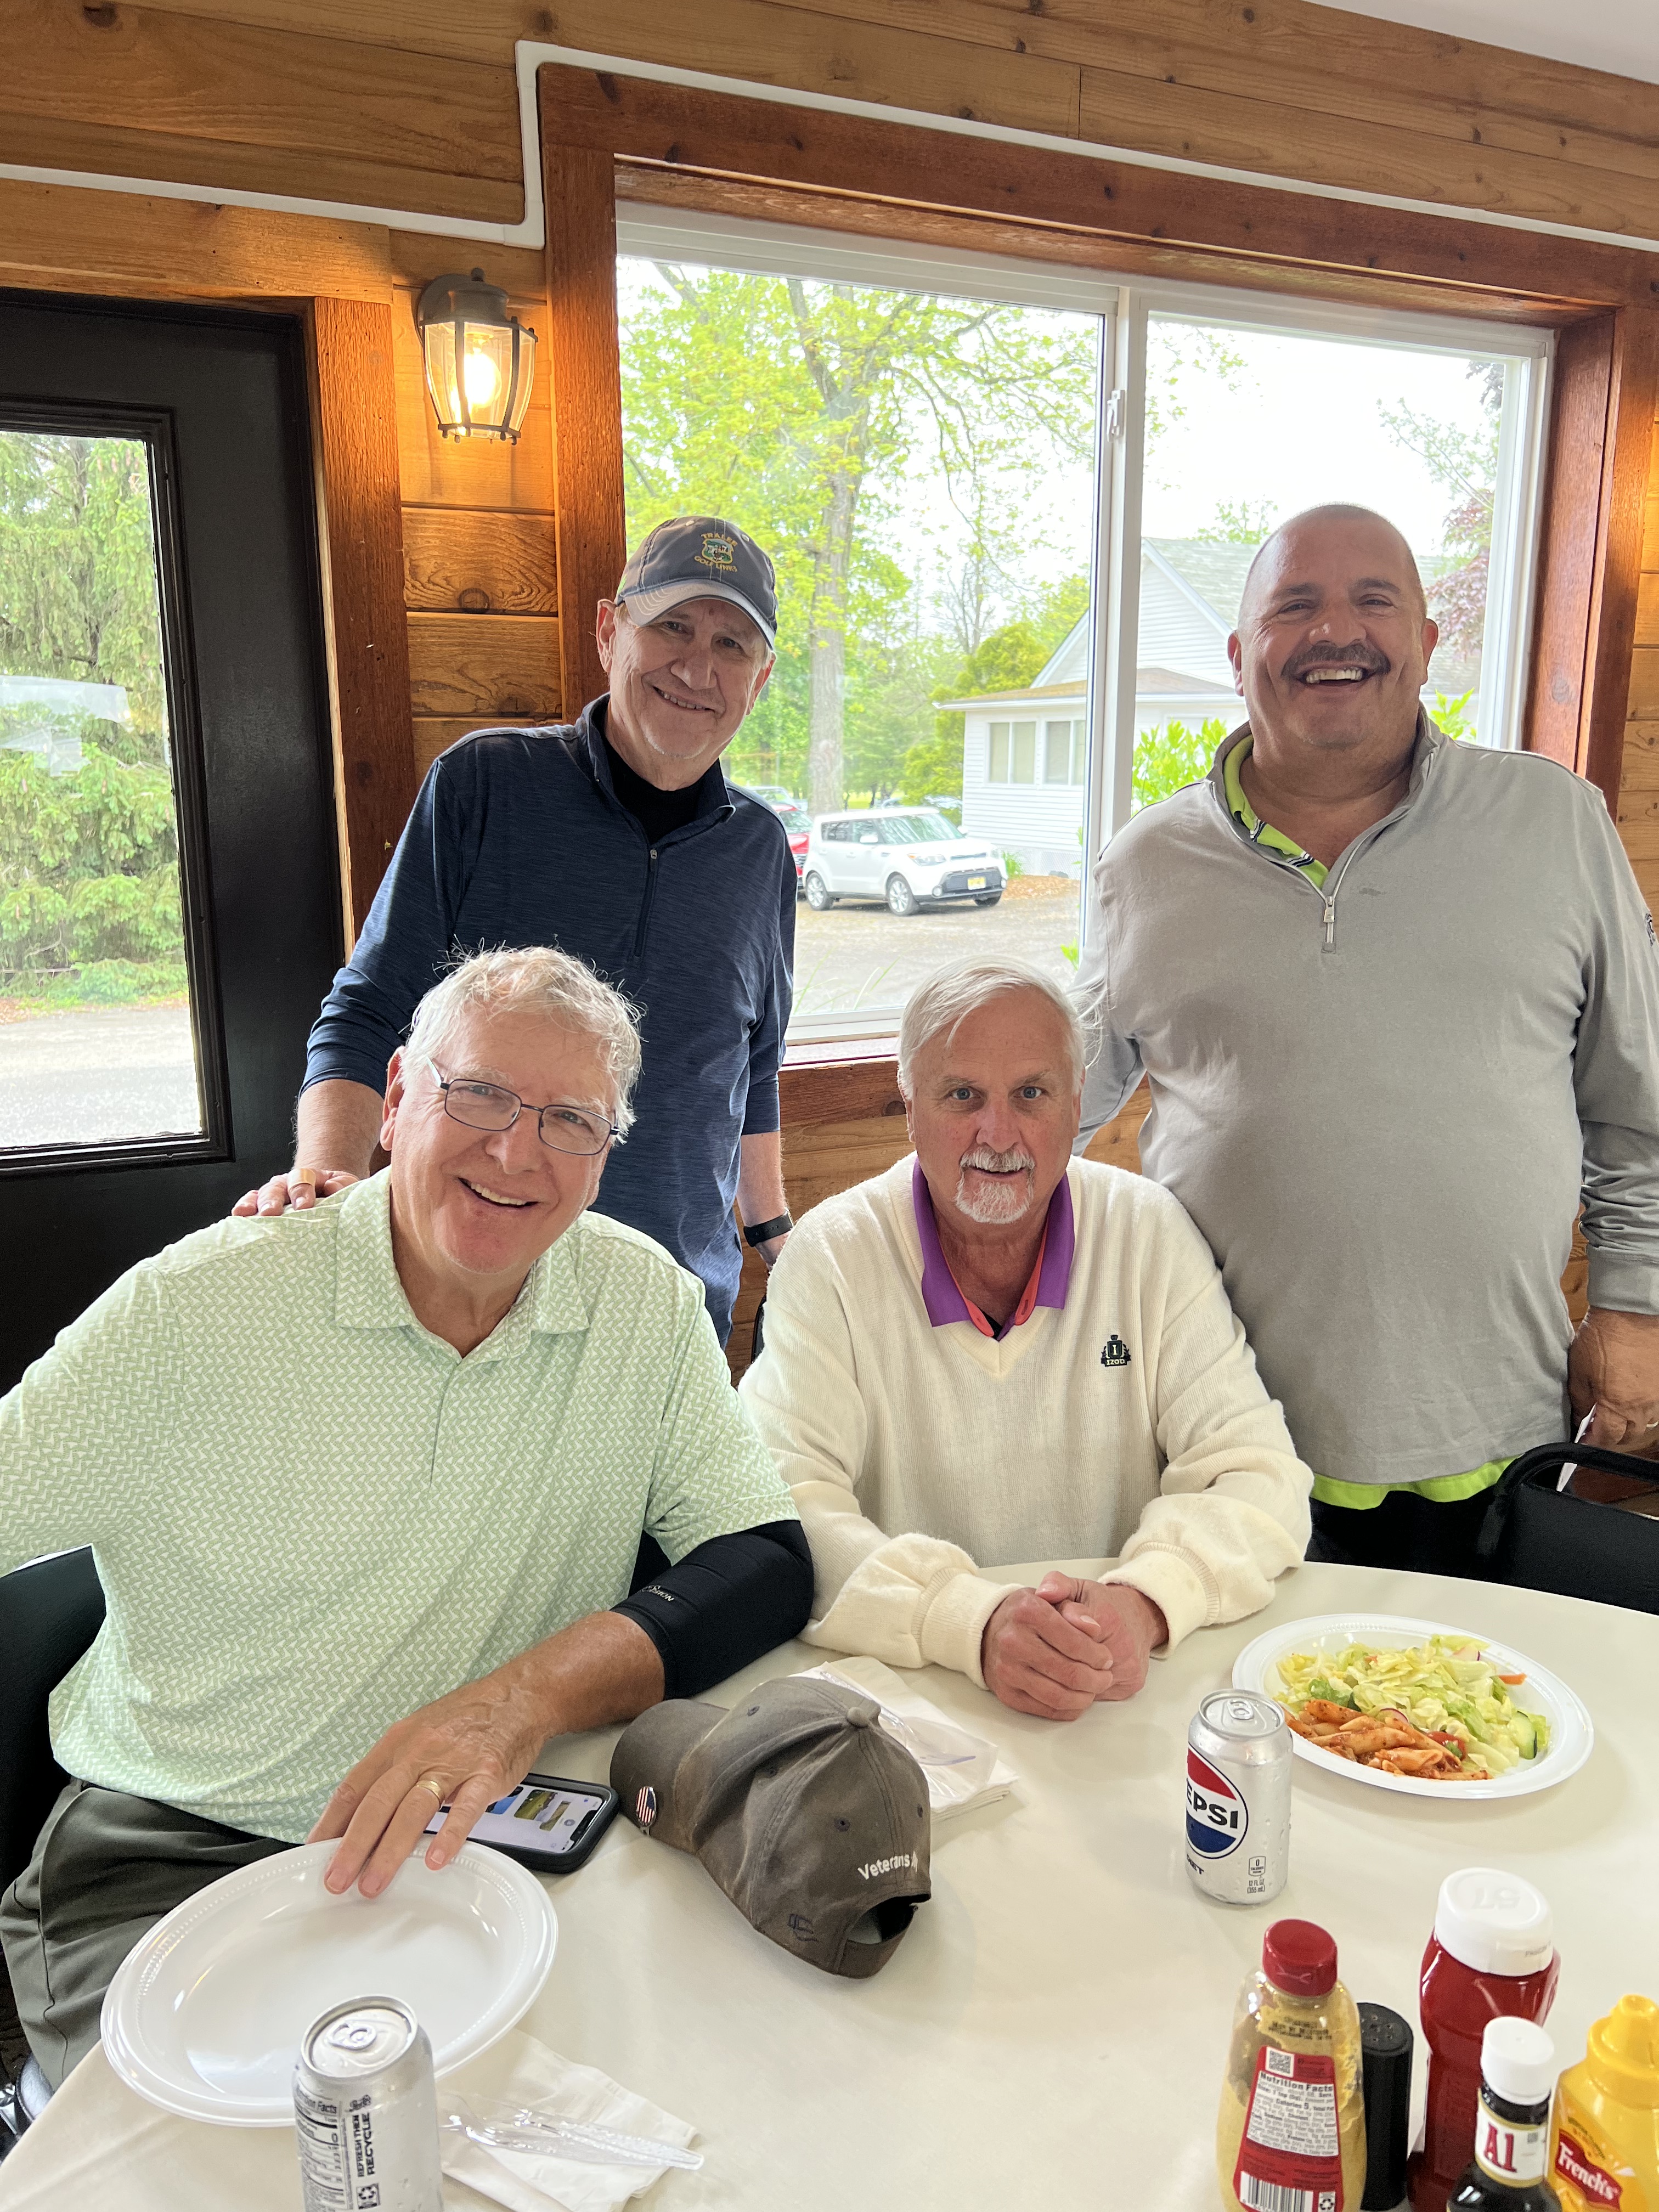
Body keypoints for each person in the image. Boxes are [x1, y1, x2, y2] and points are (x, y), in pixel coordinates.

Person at [0, 947, 809, 2089]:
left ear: (605, 1154)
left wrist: (520, 1702)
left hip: (478, 1837)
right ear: (393, 1099)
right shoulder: (199, 1307)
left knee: (686, 2087)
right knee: (270, 2152)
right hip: (177, 1850)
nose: (515, 1152)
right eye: (478, 1094)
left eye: (570, 1121)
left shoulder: (643, 1307)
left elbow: (764, 1559)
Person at [1073, 503, 1659, 1575]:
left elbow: (1637, 1100)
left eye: (1372, 601)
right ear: (1241, 656)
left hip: (1494, 1424)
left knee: (1472, 1686)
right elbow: (1058, 1096)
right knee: (1232, 1687)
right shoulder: (1145, 862)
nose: (1334, 631)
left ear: (1426, 643)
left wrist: (1635, 1307)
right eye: (1295, 605)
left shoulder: (1556, 823)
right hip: (1223, 1428)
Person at [235, 516, 798, 1344]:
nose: (696, 667)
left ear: (762, 676)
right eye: (673, 627)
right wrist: (325, 1180)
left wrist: (775, 1236)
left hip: (670, 1313)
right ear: (609, 631)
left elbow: (750, 1066)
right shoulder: (484, 785)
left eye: (731, 644)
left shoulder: (762, 851)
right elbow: (367, 1011)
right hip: (466, 1300)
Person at [738, 957, 1310, 1721]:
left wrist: (1145, 1600)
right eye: (962, 1096)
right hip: (912, 1703)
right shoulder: (833, 1257)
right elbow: (782, 1507)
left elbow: (1258, 1475)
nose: (998, 1135)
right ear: (910, 1106)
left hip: (1115, 1689)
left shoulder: (1148, 1234)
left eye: (1031, 1094)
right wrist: (971, 1622)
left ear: (1076, 1105)